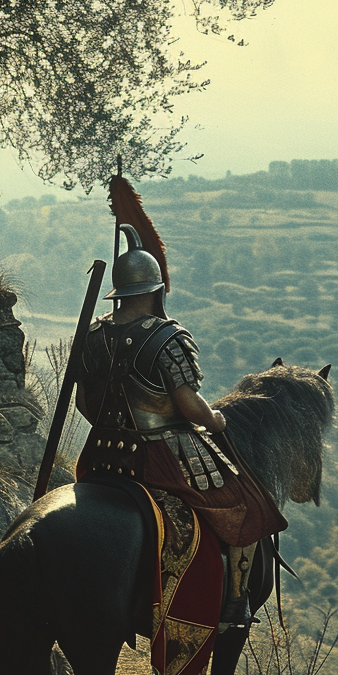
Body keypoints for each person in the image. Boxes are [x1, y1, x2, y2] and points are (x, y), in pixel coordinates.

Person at [74, 225, 285, 631]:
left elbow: (85, 403)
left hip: (98, 455)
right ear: (156, 290)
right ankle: (235, 604)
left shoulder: (95, 334)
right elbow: (189, 407)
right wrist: (216, 419)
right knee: (247, 505)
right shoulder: (167, 337)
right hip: (159, 458)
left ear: (119, 292)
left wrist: (114, 431)